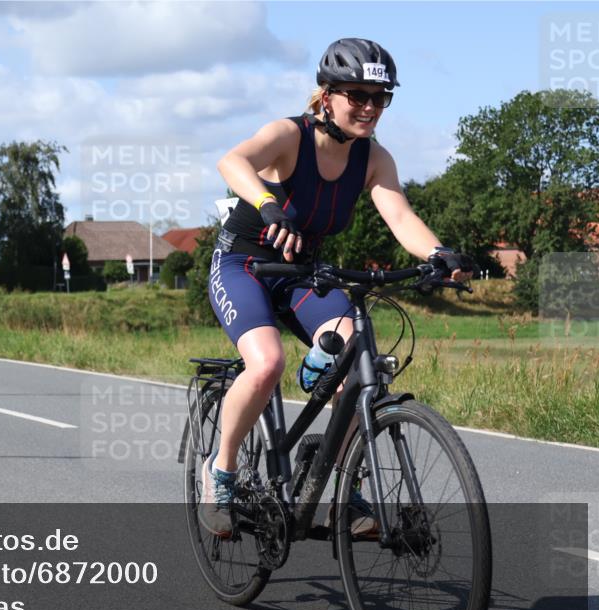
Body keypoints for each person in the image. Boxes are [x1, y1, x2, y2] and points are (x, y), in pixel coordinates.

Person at [200, 38, 475, 538]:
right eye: (357, 95)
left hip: (304, 273)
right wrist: (267, 202)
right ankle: (220, 473)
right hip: (243, 264)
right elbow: (232, 161)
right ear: (326, 95)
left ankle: (341, 491)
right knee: (267, 365)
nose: (370, 107)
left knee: (359, 366)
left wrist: (438, 254)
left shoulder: (373, 158)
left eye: (380, 97)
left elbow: (400, 215)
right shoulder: (290, 136)